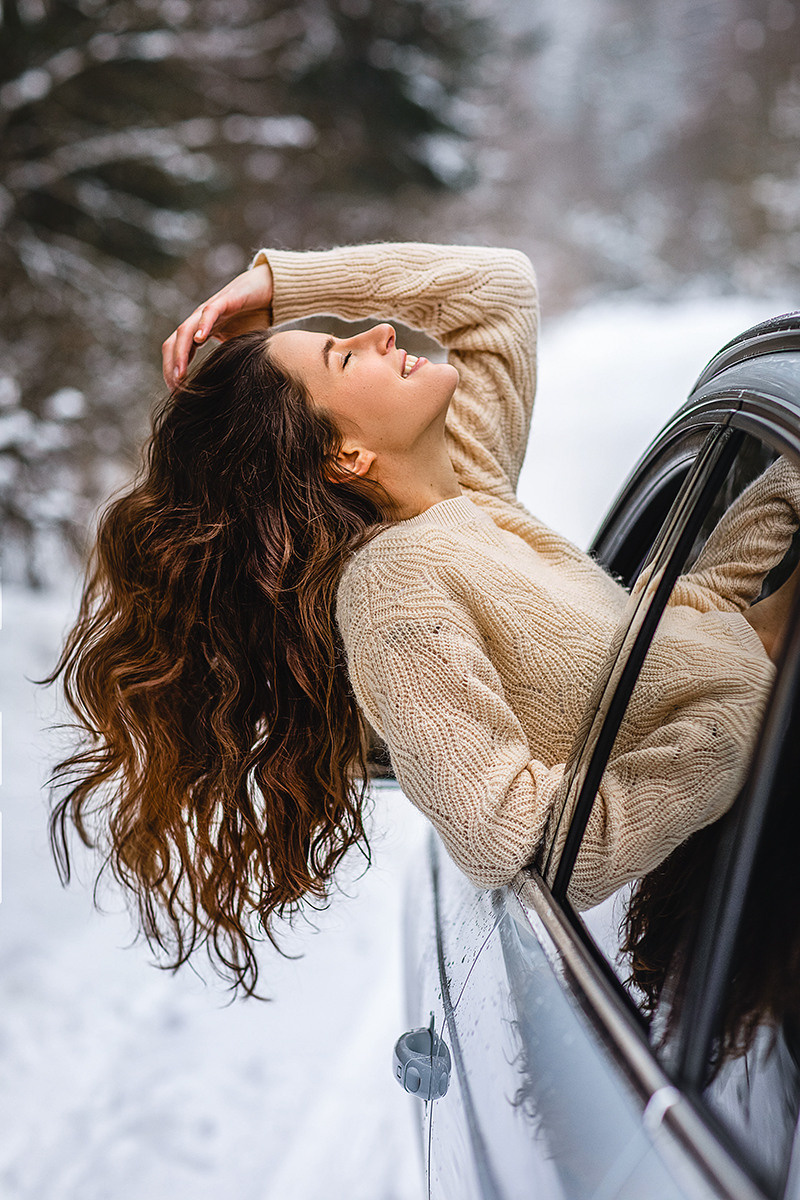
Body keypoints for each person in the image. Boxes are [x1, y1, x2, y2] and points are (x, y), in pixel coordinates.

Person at [47, 242, 796, 993]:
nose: (381, 331)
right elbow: (518, 842)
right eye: (344, 355)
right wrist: (741, 727)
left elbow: (497, 292)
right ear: (346, 456)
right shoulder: (395, 589)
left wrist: (282, 288)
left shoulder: (472, 501)